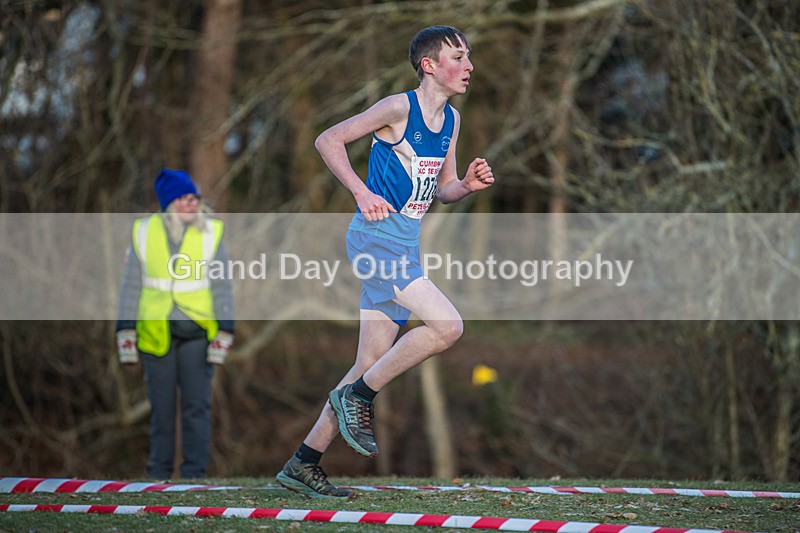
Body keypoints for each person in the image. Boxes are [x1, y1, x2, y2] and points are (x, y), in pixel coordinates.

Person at [276, 25, 494, 498]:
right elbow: (328, 140)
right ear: (429, 65)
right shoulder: (398, 108)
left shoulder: (452, 121)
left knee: (368, 362)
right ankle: (357, 398)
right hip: (375, 241)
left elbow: (443, 189)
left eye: (469, 57)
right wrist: (361, 191)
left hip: (406, 244)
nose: (469, 66)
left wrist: (466, 186)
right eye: (458, 57)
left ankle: (303, 463)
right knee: (448, 326)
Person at [116, 168, 234, 480]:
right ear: (169, 202)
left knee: (197, 407)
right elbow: (131, 284)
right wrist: (124, 329)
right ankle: (159, 474)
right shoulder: (143, 232)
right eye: (183, 198)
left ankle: (194, 473)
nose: (191, 204)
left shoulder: (211, 232)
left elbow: (222, 284)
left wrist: (226, 328)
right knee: (161, 408)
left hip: (198, 332)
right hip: (155, 331)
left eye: (194, 198)